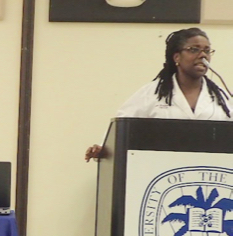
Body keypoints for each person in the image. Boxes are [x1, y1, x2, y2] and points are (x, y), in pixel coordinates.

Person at [85, 27, 231, 161]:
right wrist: (103, 149)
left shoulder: (222, 97)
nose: (203, 55)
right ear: (177, 57)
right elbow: (121, 128)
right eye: (194, 49)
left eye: (207, 50)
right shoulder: (152, 93)